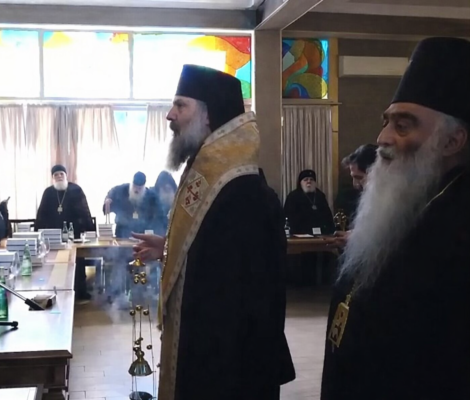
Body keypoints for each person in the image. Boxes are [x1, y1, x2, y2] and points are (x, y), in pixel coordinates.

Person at [132, 65, 294, 400]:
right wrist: (169, 248)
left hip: (229, 362)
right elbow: (213, 253)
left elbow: (248, 292)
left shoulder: (245, 192)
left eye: (180, 105)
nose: (170, 115)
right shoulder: (208, 176)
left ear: (209, 115)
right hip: (205, 346)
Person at [321, 37, 470, 400]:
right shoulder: (407, 204)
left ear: (452, 142)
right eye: (386, 122)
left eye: (403, 126)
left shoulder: (458, 226)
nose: (382, 138)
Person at [35, 164, 95, 302]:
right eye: (56, 175)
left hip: (74, 234)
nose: (59, 176)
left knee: (77, 263)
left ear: (66, 175)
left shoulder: (76, 190)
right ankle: (57, 292)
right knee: (55, 265)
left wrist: (89, 230)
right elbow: (41, 214)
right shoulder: (48, 192)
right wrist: (37, 233)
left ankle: (80, 291)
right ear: (53, 178)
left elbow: (85, 210)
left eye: (61, 174)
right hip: (54, 236)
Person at [103, 172, 163, 237]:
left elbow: (159, 214)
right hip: (122, 233)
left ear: (143, 187)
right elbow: (112, 193)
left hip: (142, 234)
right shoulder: (123, 190)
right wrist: (108, 199)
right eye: (134, 186)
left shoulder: (151, 197)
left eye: (139, 188)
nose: (136, 190)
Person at [284, 169, 335, 235]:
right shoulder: (293, 196)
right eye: (305, 179)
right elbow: (289, 217)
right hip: (299, 233)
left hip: (321, 234)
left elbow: (328, 216)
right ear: (300, 183)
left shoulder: (320, 196)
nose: (309, 181)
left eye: (311, 179)